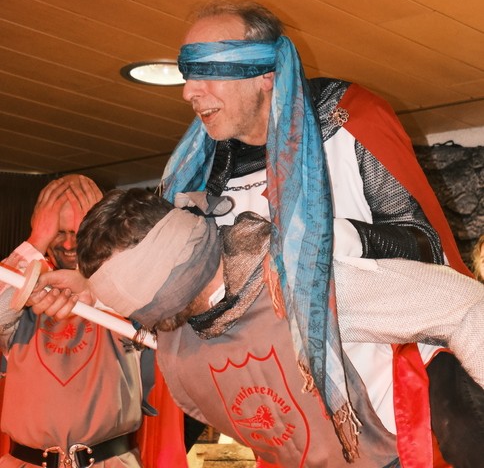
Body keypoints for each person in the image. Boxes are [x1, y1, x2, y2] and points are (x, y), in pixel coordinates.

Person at [157, 0, 482, 467]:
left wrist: (321, 240)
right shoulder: (203, 168)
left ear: (265, 74)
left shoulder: (347, 118)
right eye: (188, 73)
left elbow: (426, 246)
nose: (190, 90)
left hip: (386, 420)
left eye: (208, 71)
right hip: (288, 431)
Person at [75, 188, 484, 468]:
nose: (140, 316)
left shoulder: (305, 284)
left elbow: (465, 305)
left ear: (173, 256)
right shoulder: (176, 352)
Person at [0, 175, 187, 468]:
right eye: (56, 232)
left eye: (78, 231)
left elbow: (168, 330)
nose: (68, 243)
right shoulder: (23, 295)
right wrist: (36, 241)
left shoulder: (129, 293)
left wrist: (92, 284)